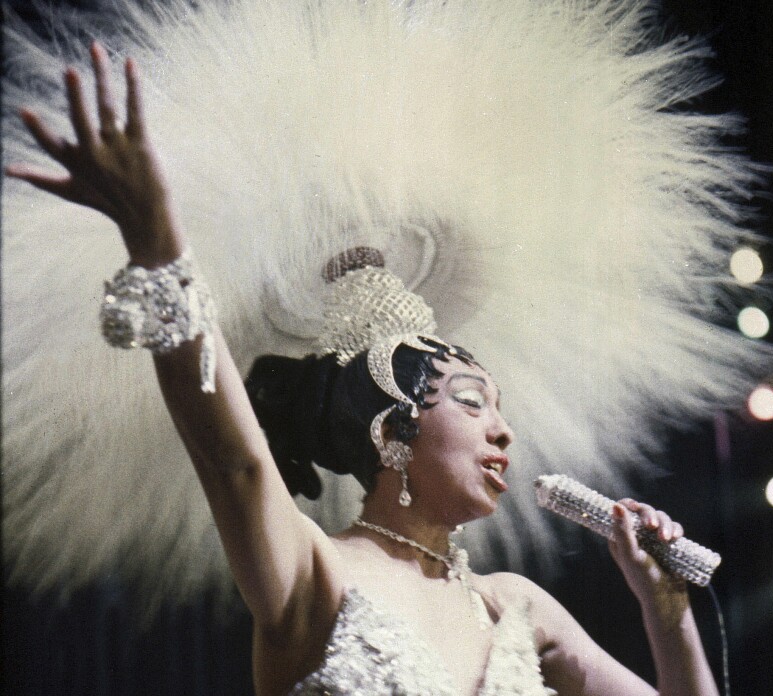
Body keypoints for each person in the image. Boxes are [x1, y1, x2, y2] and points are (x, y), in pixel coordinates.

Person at [7, 42, 722, 696]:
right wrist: (157, 238)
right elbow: (235, 462)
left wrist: (667, 612)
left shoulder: (516, 607)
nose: (504, 431)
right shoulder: (315, 571)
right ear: (392, 432)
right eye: (472, 402)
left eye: (500, 408)